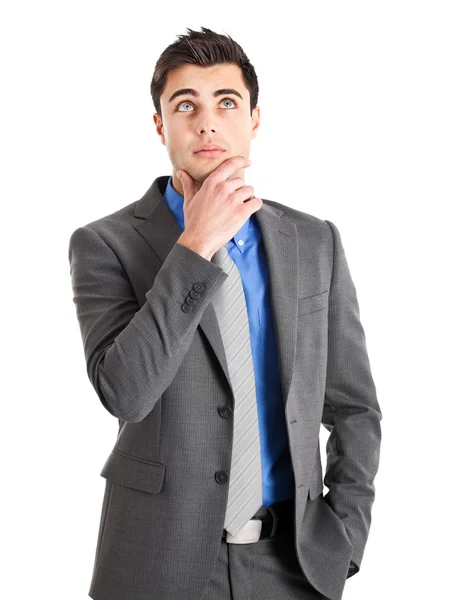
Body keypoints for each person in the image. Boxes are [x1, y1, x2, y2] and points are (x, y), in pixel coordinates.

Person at [68, 26, 382, 600]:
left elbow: (355, 407)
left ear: (254, 120)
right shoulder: (105, 244)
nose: (207, 122)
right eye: (185, 105)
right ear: (160, 125)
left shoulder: (314, 242)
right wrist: (194, 247)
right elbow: (125, 392)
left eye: (227, 103)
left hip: (294, 565)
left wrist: (346, 537)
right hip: (156, 564)